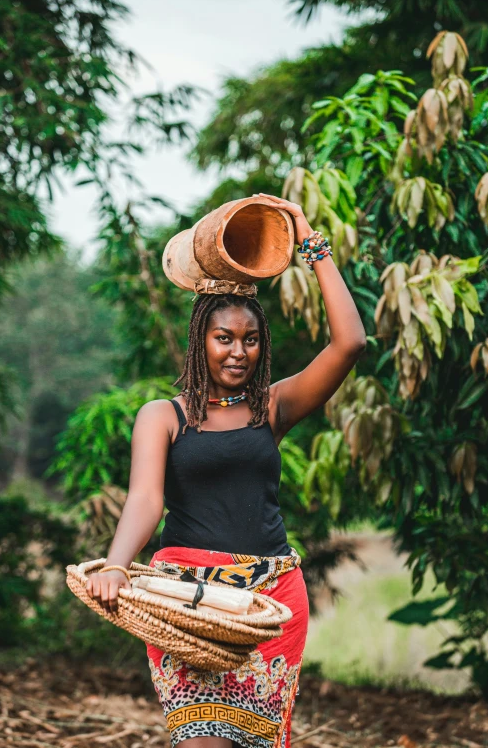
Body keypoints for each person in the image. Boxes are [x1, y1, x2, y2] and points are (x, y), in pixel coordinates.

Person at [86, 193, 367, 748]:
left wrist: (310, 242)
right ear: (200, 341)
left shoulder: (274, 408)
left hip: (269, 603)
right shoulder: (163, 417)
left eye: (251, 339)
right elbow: (145, 500)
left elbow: (351, 342)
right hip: (184, 604)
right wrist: (117, 566)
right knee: (199, 739)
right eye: (224, 338)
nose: (239, 351)